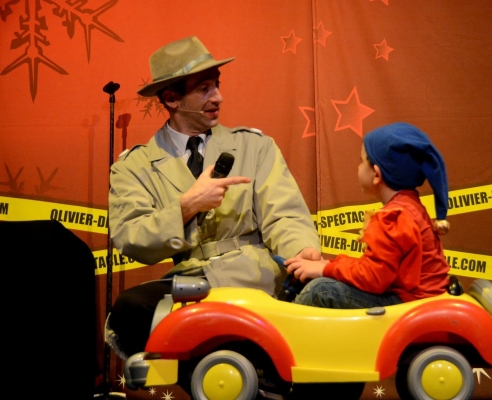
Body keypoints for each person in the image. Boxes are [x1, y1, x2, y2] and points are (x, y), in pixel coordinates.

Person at [107, 36, 321, 357]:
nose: (218, 97)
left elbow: (284, 216)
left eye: (216, 85)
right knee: (131, 308)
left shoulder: (255, 146)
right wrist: (186, 206)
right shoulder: (133, 166)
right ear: (172, 98)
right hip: (189, 283)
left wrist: (302, 251)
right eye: (204, 88)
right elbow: (131, 237)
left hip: (254, 277)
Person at [285, 122, 450, 309]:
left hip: (411, 304)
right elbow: (376, 267)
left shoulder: (393, 217)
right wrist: (329, 265)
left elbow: (373, 278)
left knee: (321, 290)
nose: (358, 167)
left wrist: (325, 269)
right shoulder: (409, 206)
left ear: (377, 175)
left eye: (362, 161)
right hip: (413, 299)